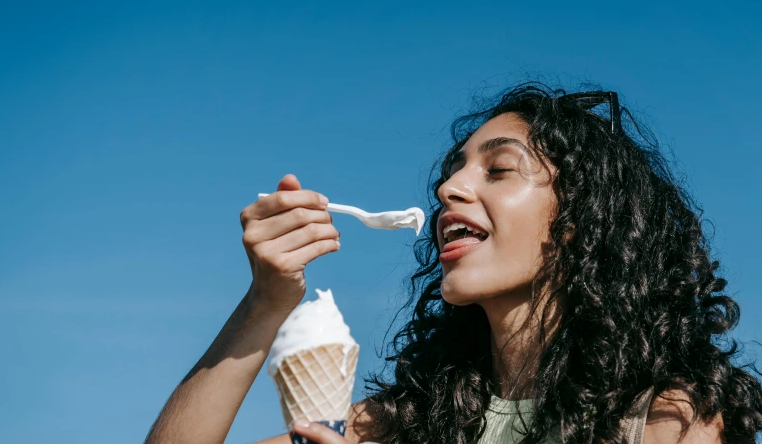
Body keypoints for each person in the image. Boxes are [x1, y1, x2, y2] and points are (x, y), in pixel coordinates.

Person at [144, 83, 762, 444]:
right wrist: (266, 301)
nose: (448, 190)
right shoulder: (403, 422)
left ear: (580, 223)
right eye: (452, 171)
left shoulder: (673, 418)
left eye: (497, 170)